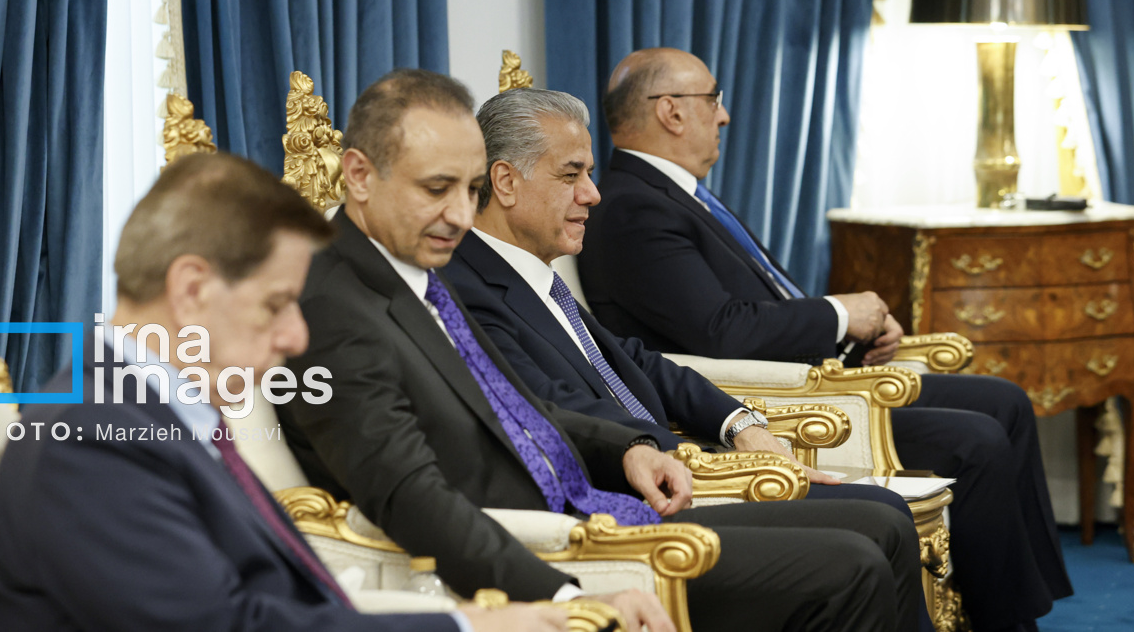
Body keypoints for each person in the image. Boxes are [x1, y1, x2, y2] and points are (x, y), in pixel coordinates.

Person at [280, 69, 919, 632]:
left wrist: (629, 448)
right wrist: (567, 598)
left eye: (468, 189)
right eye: (435, 188)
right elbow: (410, 496)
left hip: (595, 508)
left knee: (882, 526)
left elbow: (524, 407)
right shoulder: (328, 306)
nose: (458, 214)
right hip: (543, 551)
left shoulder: (416, 272)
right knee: (851, 564)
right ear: (359, 175)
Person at [578, 47, 1074, 632]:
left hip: (814, 371)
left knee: (1005, 400)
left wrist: (855, 334)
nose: (725, 114)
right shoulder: (633, 209)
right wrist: (841, 314)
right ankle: (1005, 622)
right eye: (714, 99)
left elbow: (760, 306)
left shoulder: (676, 193)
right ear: (672, 112)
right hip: (769, 403)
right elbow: (721, 330)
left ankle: (1024, 605)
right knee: (978, 438)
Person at [0, 153, 565, 632]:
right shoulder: (90, 439)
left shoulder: (161, 420)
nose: (297, 336)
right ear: (192, 290)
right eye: (276, 303)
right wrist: (465, 628)